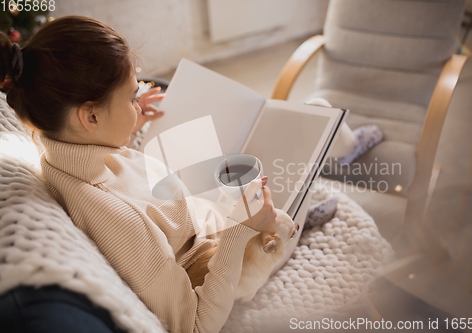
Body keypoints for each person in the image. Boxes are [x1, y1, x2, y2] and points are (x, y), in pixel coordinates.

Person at [0, 16, 277, 333]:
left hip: (205, 220)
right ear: (90, 115)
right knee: (286, 206)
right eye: (132, 98)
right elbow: (195, 326)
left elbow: (119, 181)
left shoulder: (63, 153)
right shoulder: (117, 218)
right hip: (218, 254)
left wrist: (126, 124)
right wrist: (239, 229)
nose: (138, 103)